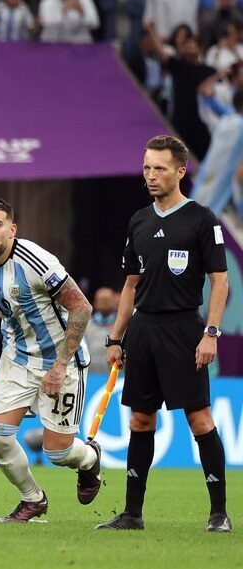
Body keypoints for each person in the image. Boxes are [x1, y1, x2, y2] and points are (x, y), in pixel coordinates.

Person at [0, 197, 103, 523]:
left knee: (58, 452)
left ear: (12, 230)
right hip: (17, 358)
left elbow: (81, 307)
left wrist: (60, 366)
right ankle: (33, 499)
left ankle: (89, 458)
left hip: (60, 361)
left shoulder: (37, 261)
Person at [97, 136, 232, 533]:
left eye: (159, 168)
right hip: (143, 330)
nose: (151, 175)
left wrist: (210, 333)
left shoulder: (202, 219)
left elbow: (220, 282)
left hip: (184, 329)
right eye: (146, 168)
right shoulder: (139, 221)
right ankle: (132, 514)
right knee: (140, 421)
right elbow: (130, 286)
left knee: (200, 420)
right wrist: (116, 338)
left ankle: (219, 514)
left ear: (180, 171)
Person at [84, 287, 119, 374]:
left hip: (115, 375)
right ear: (95, 303)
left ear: (114, 301)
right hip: (91, 374)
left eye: (107, 300)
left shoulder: (121, 326)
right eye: (102, 301)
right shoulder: (86, 325)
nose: (104, 304)